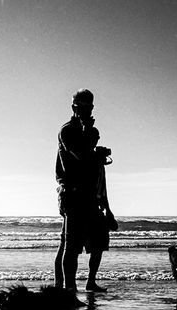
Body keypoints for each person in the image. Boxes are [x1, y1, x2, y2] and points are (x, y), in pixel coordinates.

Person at [54, 89, 114, 295]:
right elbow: (81, 156)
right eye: (82, 107)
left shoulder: (91, 132)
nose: (86, 111)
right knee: (70, 246)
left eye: (89, 107)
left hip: (88, 195)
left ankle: (78, 285)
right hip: (72, 193)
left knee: (91, 242)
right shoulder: (68, 130)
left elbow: (87, 153)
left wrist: (95, 151)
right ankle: (67, 290)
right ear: (74, 108)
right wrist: (95, 153)